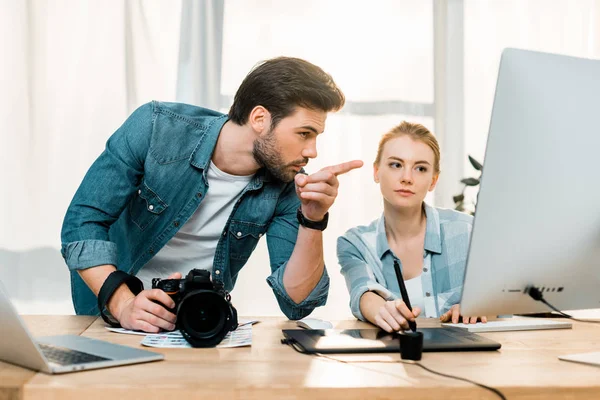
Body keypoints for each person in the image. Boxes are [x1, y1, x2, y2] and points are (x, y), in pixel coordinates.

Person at [61, 56, 363, 333]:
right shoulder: (156, 128)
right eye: (303, 133)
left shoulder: (288, 185)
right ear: (260, 119)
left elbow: (297, 303)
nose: (312, 151)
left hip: (203, 322)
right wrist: (125, 305)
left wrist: (313, 219)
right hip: (113, 316)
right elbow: (82, 222)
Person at [337, 121, 485, 333]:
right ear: (377, 172)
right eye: (396, 165)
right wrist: (382, 310)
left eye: (420, 168)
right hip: (392, 360)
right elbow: (362, 291)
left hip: (465, 359)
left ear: (433, 181)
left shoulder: (468, 232)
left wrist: (478, 309)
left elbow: (499, 301)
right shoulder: (355, 244)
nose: (407, 178)